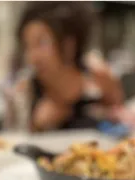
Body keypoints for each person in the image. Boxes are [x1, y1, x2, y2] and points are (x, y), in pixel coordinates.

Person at [8, 2, 125, 132]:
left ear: (69, 44)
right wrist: (36, 126)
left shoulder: (98, 79)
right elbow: (12, 141)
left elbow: (122, 122)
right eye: (28, 46)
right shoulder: (24, 90)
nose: (33, 57)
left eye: (41, 42)